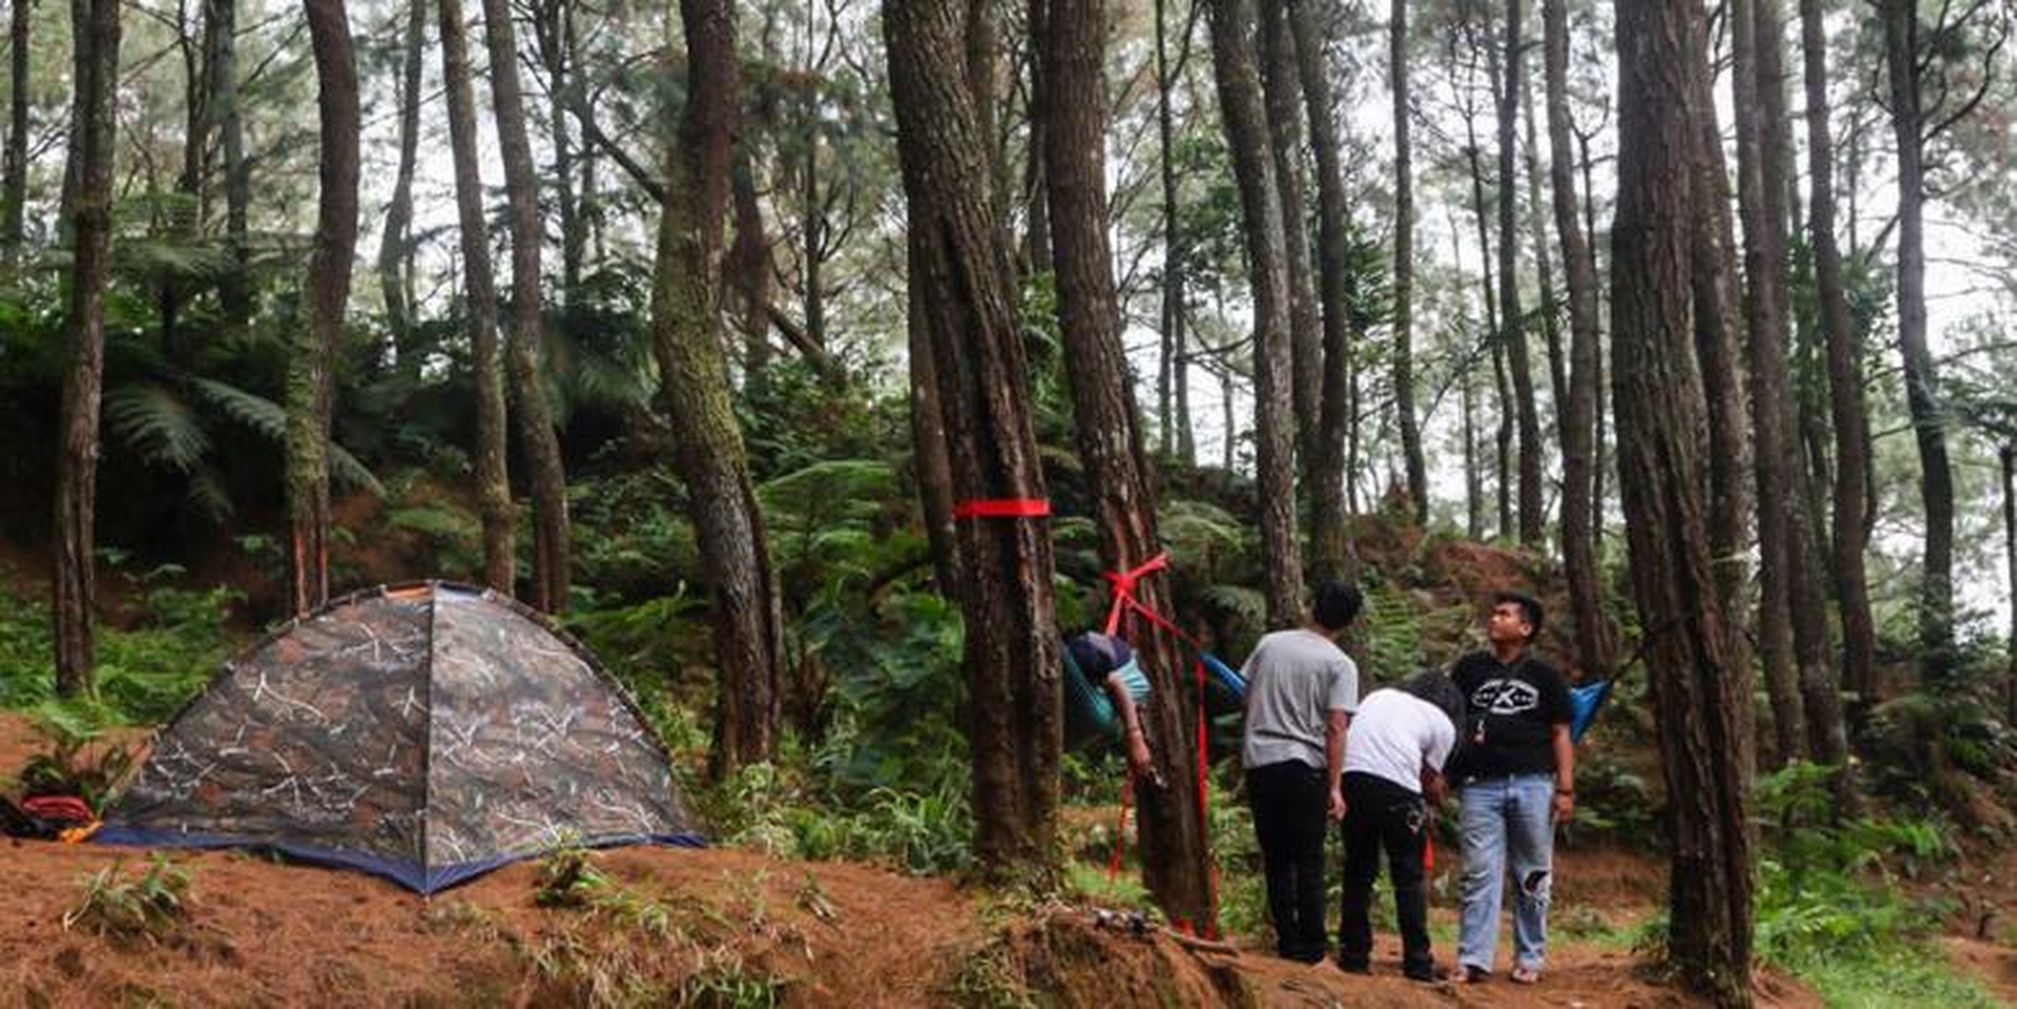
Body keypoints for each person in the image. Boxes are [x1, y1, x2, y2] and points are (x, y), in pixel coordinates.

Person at [1450, 591, 1576, 985]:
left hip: (1534, 784)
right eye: (1494, 612)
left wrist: (1566, 788)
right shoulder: (1469, 670)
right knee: (1478, 873)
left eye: (1503, 615)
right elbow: (1451, 722)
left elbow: (1561, 733)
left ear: (1525, 628)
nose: (1494, 619)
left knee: (1533, 873)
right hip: (1479, 786)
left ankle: (1530, 958)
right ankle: (1473, 959)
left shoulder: (1546, 677)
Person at [1239, 580, 1362, 964]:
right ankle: (1312, 946)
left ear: (1310, 605)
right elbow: (1337, 727)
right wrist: (1337, 785)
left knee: (1275, 855)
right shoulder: (1340, 664)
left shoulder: (1270, 644)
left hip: (1260, 760)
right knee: (1308, 857)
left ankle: (1286, 942)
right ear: (1348, 622)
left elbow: (1245, 691)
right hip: (1305, 765)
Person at [1335, 671, 1464, 982]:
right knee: (1408, 876)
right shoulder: (1443, 724)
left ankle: (1354, 956)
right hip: (1397, 794)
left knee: (1358, 871)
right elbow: (1429, 781)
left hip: (1351, 781)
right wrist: (1441, 799)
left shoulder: (1378, 696)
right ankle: (1418, 963)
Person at [1065, 631, 1155, 778]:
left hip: (1122, 671)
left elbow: (1116, 682)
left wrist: (1135, 737)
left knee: (1100, 716)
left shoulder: (1081, 655)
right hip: (1101, 671)